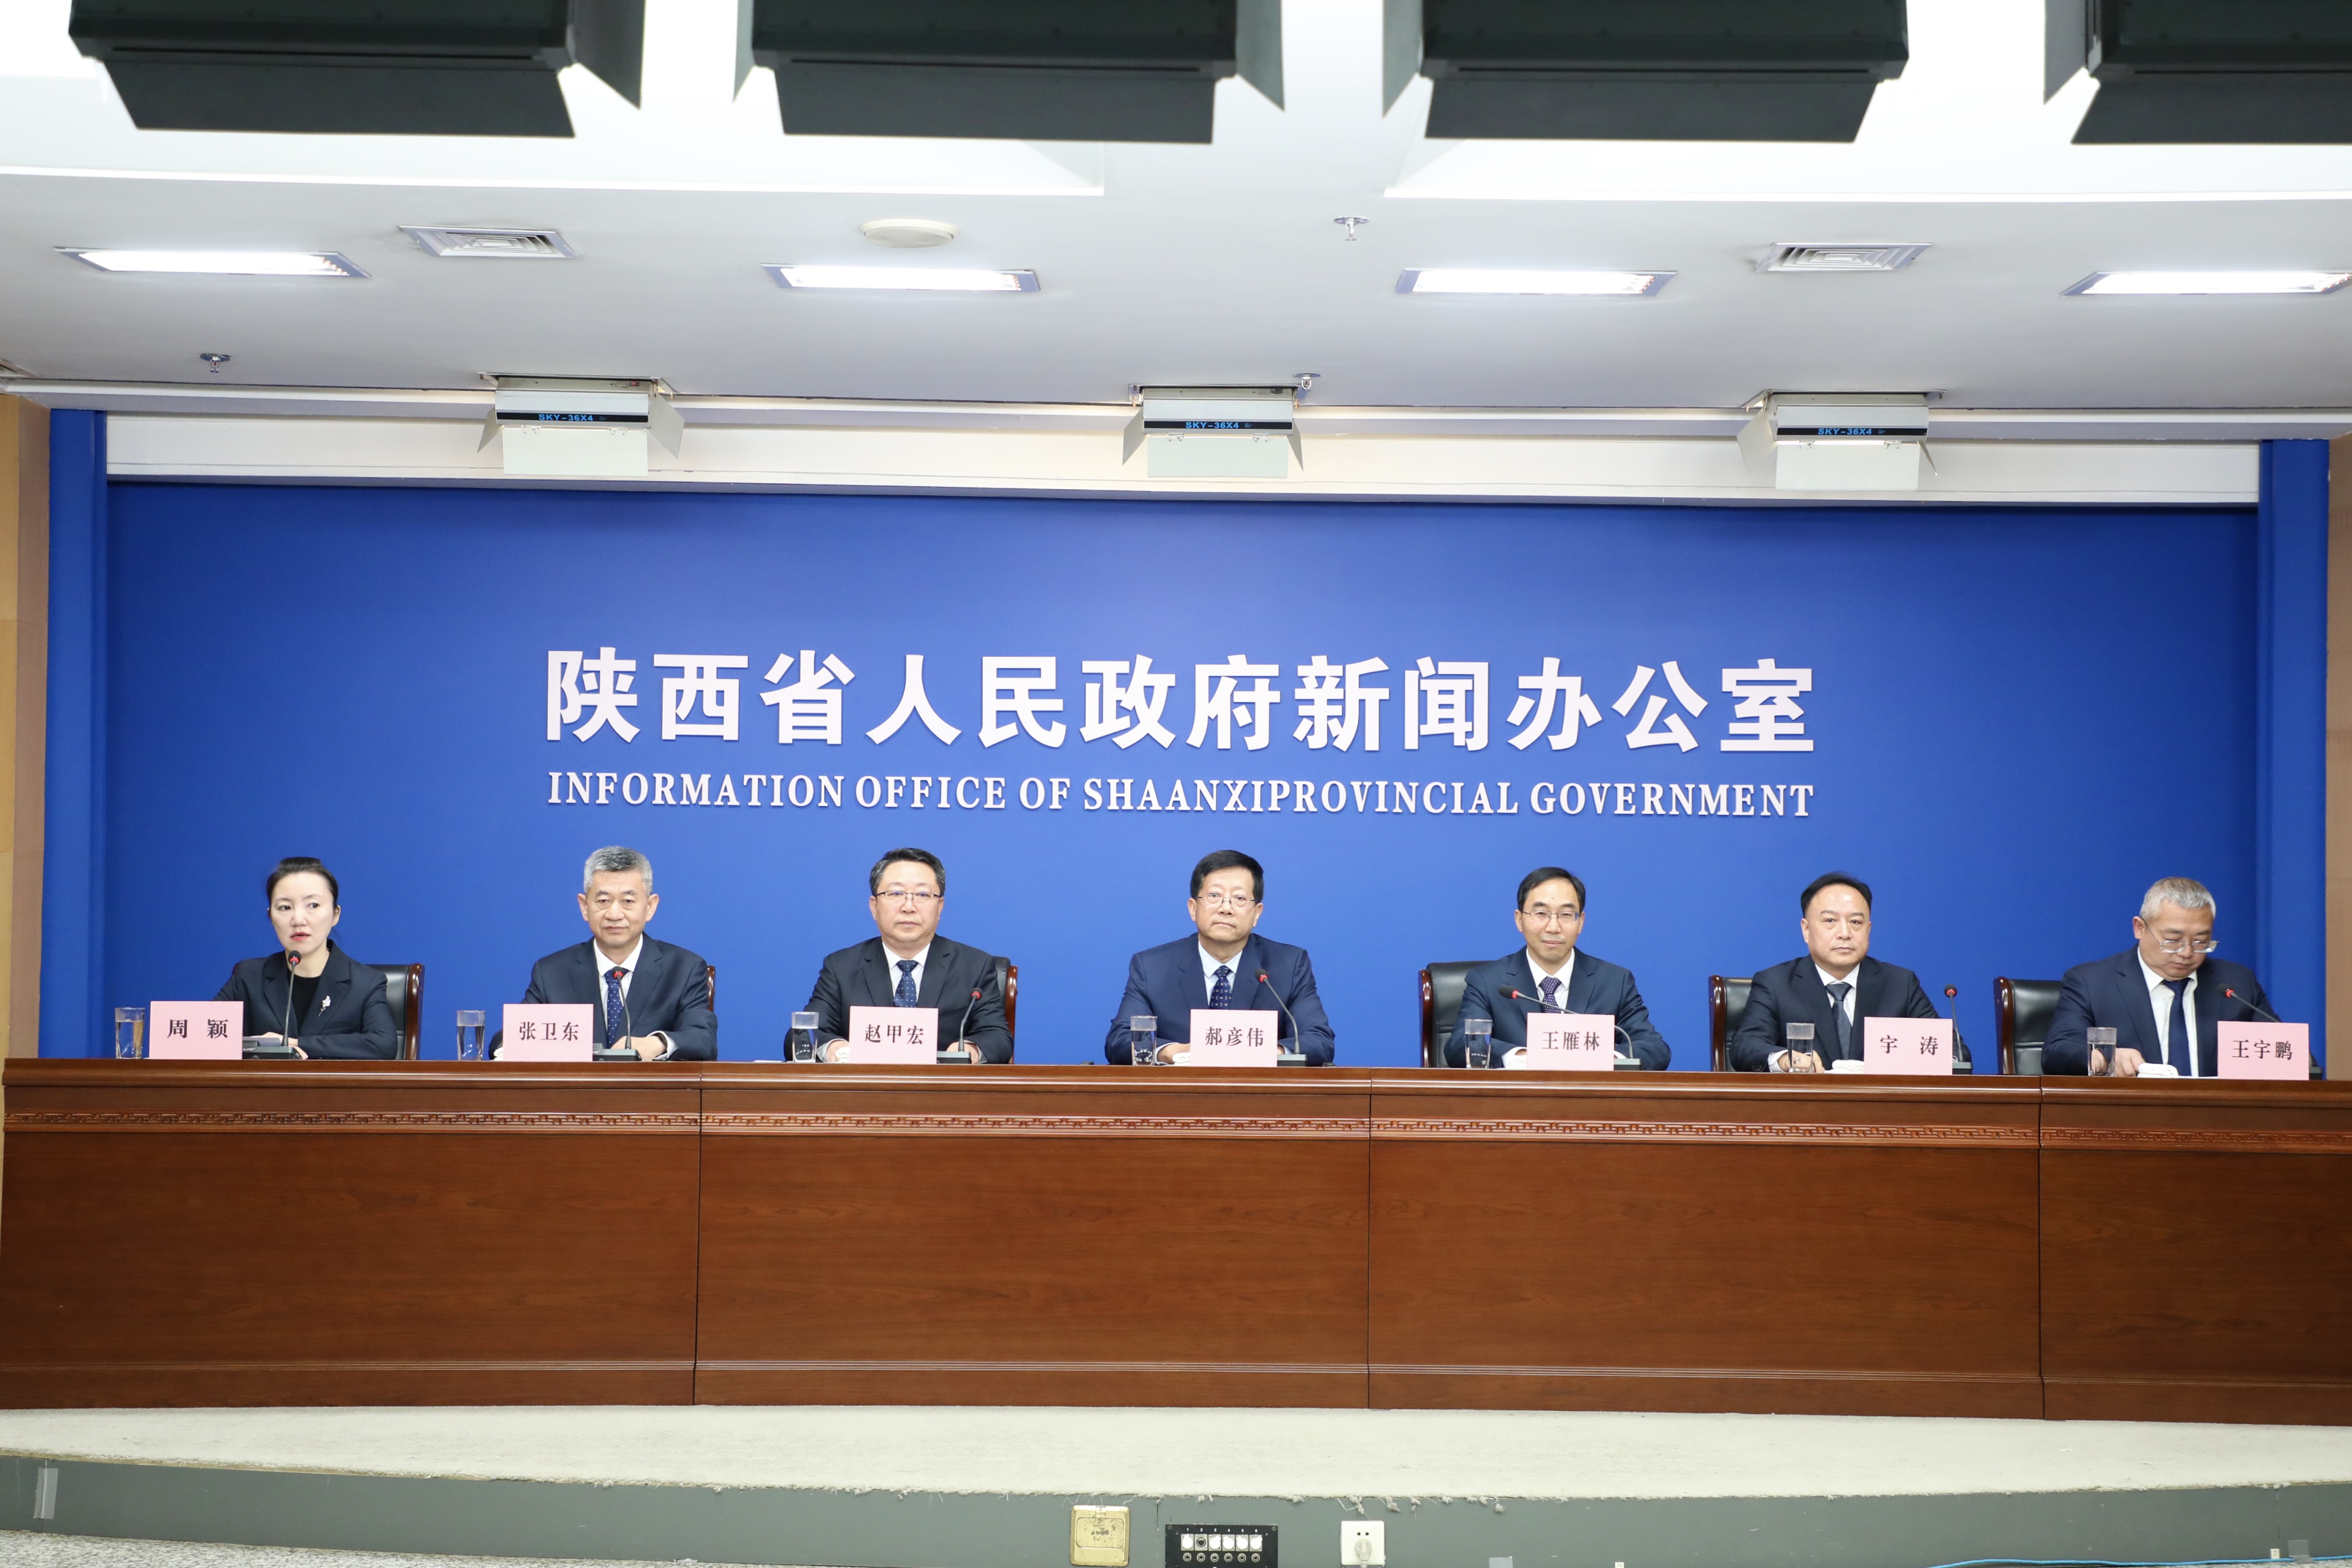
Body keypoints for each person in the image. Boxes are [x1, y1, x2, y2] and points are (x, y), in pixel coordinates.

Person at [1103, 849, 1336, 1065]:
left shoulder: (1289, 965)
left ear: (1257, 913)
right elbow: (1120, 1041)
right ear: (1193, 908)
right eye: (1214, 895)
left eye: (1240, 898)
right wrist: (1173, 1052)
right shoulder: (1152, 967)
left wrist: (1262, 1052)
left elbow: (1318, 1040)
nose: (1226, 908)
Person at [494, 845, 714, 1060]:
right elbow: (505, 1040)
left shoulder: (684, 969)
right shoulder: (552, 972)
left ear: (650, 907)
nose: (614, 914)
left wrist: (658, 1043)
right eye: (603, 901)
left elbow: (703, 1040)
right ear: (584, 906)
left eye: (628, 901)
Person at [1441, 866, 1669, 1069]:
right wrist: (1526, 1058)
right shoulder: (1488, 981)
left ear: (1581, 922)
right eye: (1541, 913)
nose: (1553, 927)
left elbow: (1654, 1049)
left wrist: (1600, 1058)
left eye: (1566, 915)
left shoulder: (1614, 982)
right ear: (1519, 920)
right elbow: (1461, 1045)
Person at [2043, 877, 2273, 1077]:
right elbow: (2058, 1051)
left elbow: (2282, 1052)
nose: (2187, 953)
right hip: (2131, 1111)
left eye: (2200, 941)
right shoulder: (2092, 983)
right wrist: (2106, 1057)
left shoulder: (2237, 983)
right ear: (2140, 928)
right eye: (2173, 941)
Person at [1730, 871, 1958, 1072]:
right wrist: (1785, 1059)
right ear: (1806, 930)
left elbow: (1954, 1052)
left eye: (1856, 922)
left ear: (1868, 929)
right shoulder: (1776, 984)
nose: (1845, 933)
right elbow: (1746, 1045)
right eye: (1830, 920)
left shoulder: (1900, 984)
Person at [804, 847, 1009, 1064]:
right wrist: (834, 1048)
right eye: (896, 894)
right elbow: (805, 1033)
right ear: (874, 907)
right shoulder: (841, 967)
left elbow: (997, 1036)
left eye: (923, 895)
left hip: (942, 1083)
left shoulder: (974, 967)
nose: (909, 907)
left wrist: (968, 1051)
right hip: (866, 1084)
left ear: (940, 907)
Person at [215, 856, 399, 1059]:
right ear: (271, 917)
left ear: (335, 914)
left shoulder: (365, 983)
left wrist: (293, 1045)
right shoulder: (249, 976)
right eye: (285, 907)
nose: (298, 920)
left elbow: (383, 1045)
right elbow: (204, 1034)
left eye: (313, 905)